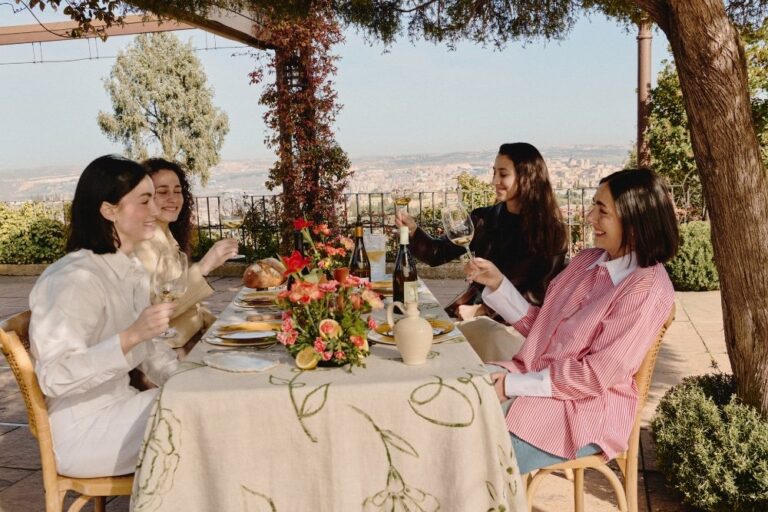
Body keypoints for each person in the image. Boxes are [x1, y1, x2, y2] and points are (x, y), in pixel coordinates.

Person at [466, 168, 678, 475]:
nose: (590, 217)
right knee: (452, 396)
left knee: (473, 451)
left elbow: (595, 375)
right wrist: (498, 284)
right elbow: (547, 331)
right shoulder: (587, 261)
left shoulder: (645, 288)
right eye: (593, 206)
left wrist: (511, 385)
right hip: (537, 379)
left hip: (583, 410)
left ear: (634, 222)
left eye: (602, 211)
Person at [29, 155, 180, 477]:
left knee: (206, 403)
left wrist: (188, 379)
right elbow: (54, 377)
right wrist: (130, 336)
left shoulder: (131, 270)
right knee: (199, 417)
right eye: (145, 200)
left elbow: (151, 351)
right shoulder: (74, 279)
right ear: (109, 210)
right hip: (84, 433)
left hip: (123, 407)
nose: (156, 211)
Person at [396, 142, 567, 360]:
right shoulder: (484, 218)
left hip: (514, 327)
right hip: (472, 314)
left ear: (528, 178)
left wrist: (483, 310)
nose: (494, 181)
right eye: (494, 172)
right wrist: (413, 230)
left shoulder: (551, 233)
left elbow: (538, 296)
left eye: (503, 174)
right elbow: (437, 253)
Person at [134, 158, 238, 352]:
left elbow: (188, 305)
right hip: (168, 353)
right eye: (162, 192)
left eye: (178, 191)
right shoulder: (143, 244)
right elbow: (159, 310)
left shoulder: (166, 236)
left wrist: (220, 325)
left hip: (188, 341)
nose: (173, 198)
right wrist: (204, 266)